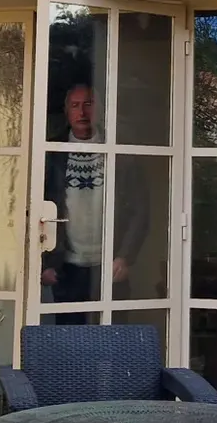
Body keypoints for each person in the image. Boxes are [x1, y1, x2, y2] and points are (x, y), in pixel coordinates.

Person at [42, 80, 147, 304]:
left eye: (89, 104)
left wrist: (125, 256)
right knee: (68, 336)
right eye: (75, 105)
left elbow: (140, 209)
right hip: (65, 266)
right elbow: (34, 205)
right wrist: (45, 262)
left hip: (111, 266)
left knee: (112, 336)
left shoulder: (121, 151)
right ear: (66, 111)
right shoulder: (51, 152)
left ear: (100, 109)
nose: (82, 112)